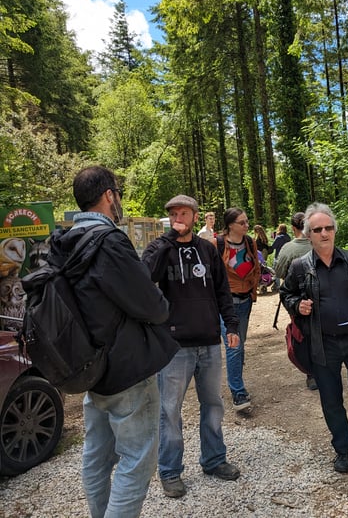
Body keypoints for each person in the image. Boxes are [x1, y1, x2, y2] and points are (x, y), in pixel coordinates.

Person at [48, 165, 179, 517]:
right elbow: (150, 304)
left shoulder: (63, 243)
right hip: (126, 370)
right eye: (118, 193)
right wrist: (161, 304)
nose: (119, 200)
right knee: (136, 461)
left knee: (96, 456)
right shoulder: (109, 242)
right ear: (109, 196)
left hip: (90, 368)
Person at [142, 195, 242, 498]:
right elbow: (144, 275)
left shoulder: (208, 251)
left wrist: (231, 326)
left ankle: (213, 460)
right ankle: (170, 472)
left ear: (195, 216)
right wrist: (171, 236)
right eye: (173, 214)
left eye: (183, 213)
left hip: (209, 342)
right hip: (175, 346)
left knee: (213, 405)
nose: (178, 218)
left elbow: (223, 291)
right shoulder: (161, 248)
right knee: (169, 411)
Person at [280, 202, 348, 476]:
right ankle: (342, 450)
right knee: (331, 398)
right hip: (322, 343)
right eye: (317, 229)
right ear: (309, 234)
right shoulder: (300, 267)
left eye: (328, 228)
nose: (324, 233)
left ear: (335, 231)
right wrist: (297, 306)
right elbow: (286, 293)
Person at [218, 208, 261, 411]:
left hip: (245, 302)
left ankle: (237, 380)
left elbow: (256, 268)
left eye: (246, 221)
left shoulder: (249, 243)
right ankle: (238, 392)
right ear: (230, 225)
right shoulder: (217, 244)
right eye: (242, 222)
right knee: (234, 346)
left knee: (240, 344)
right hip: (226, 304)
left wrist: (253, 292)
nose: (246, 225)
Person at [273, 212, 316, 390]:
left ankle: (312, 373)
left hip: (297, 299)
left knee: (303, 335)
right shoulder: (320, 243)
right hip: (321, 295)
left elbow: (278, 272)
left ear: (293, 228)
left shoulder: (288, 249)